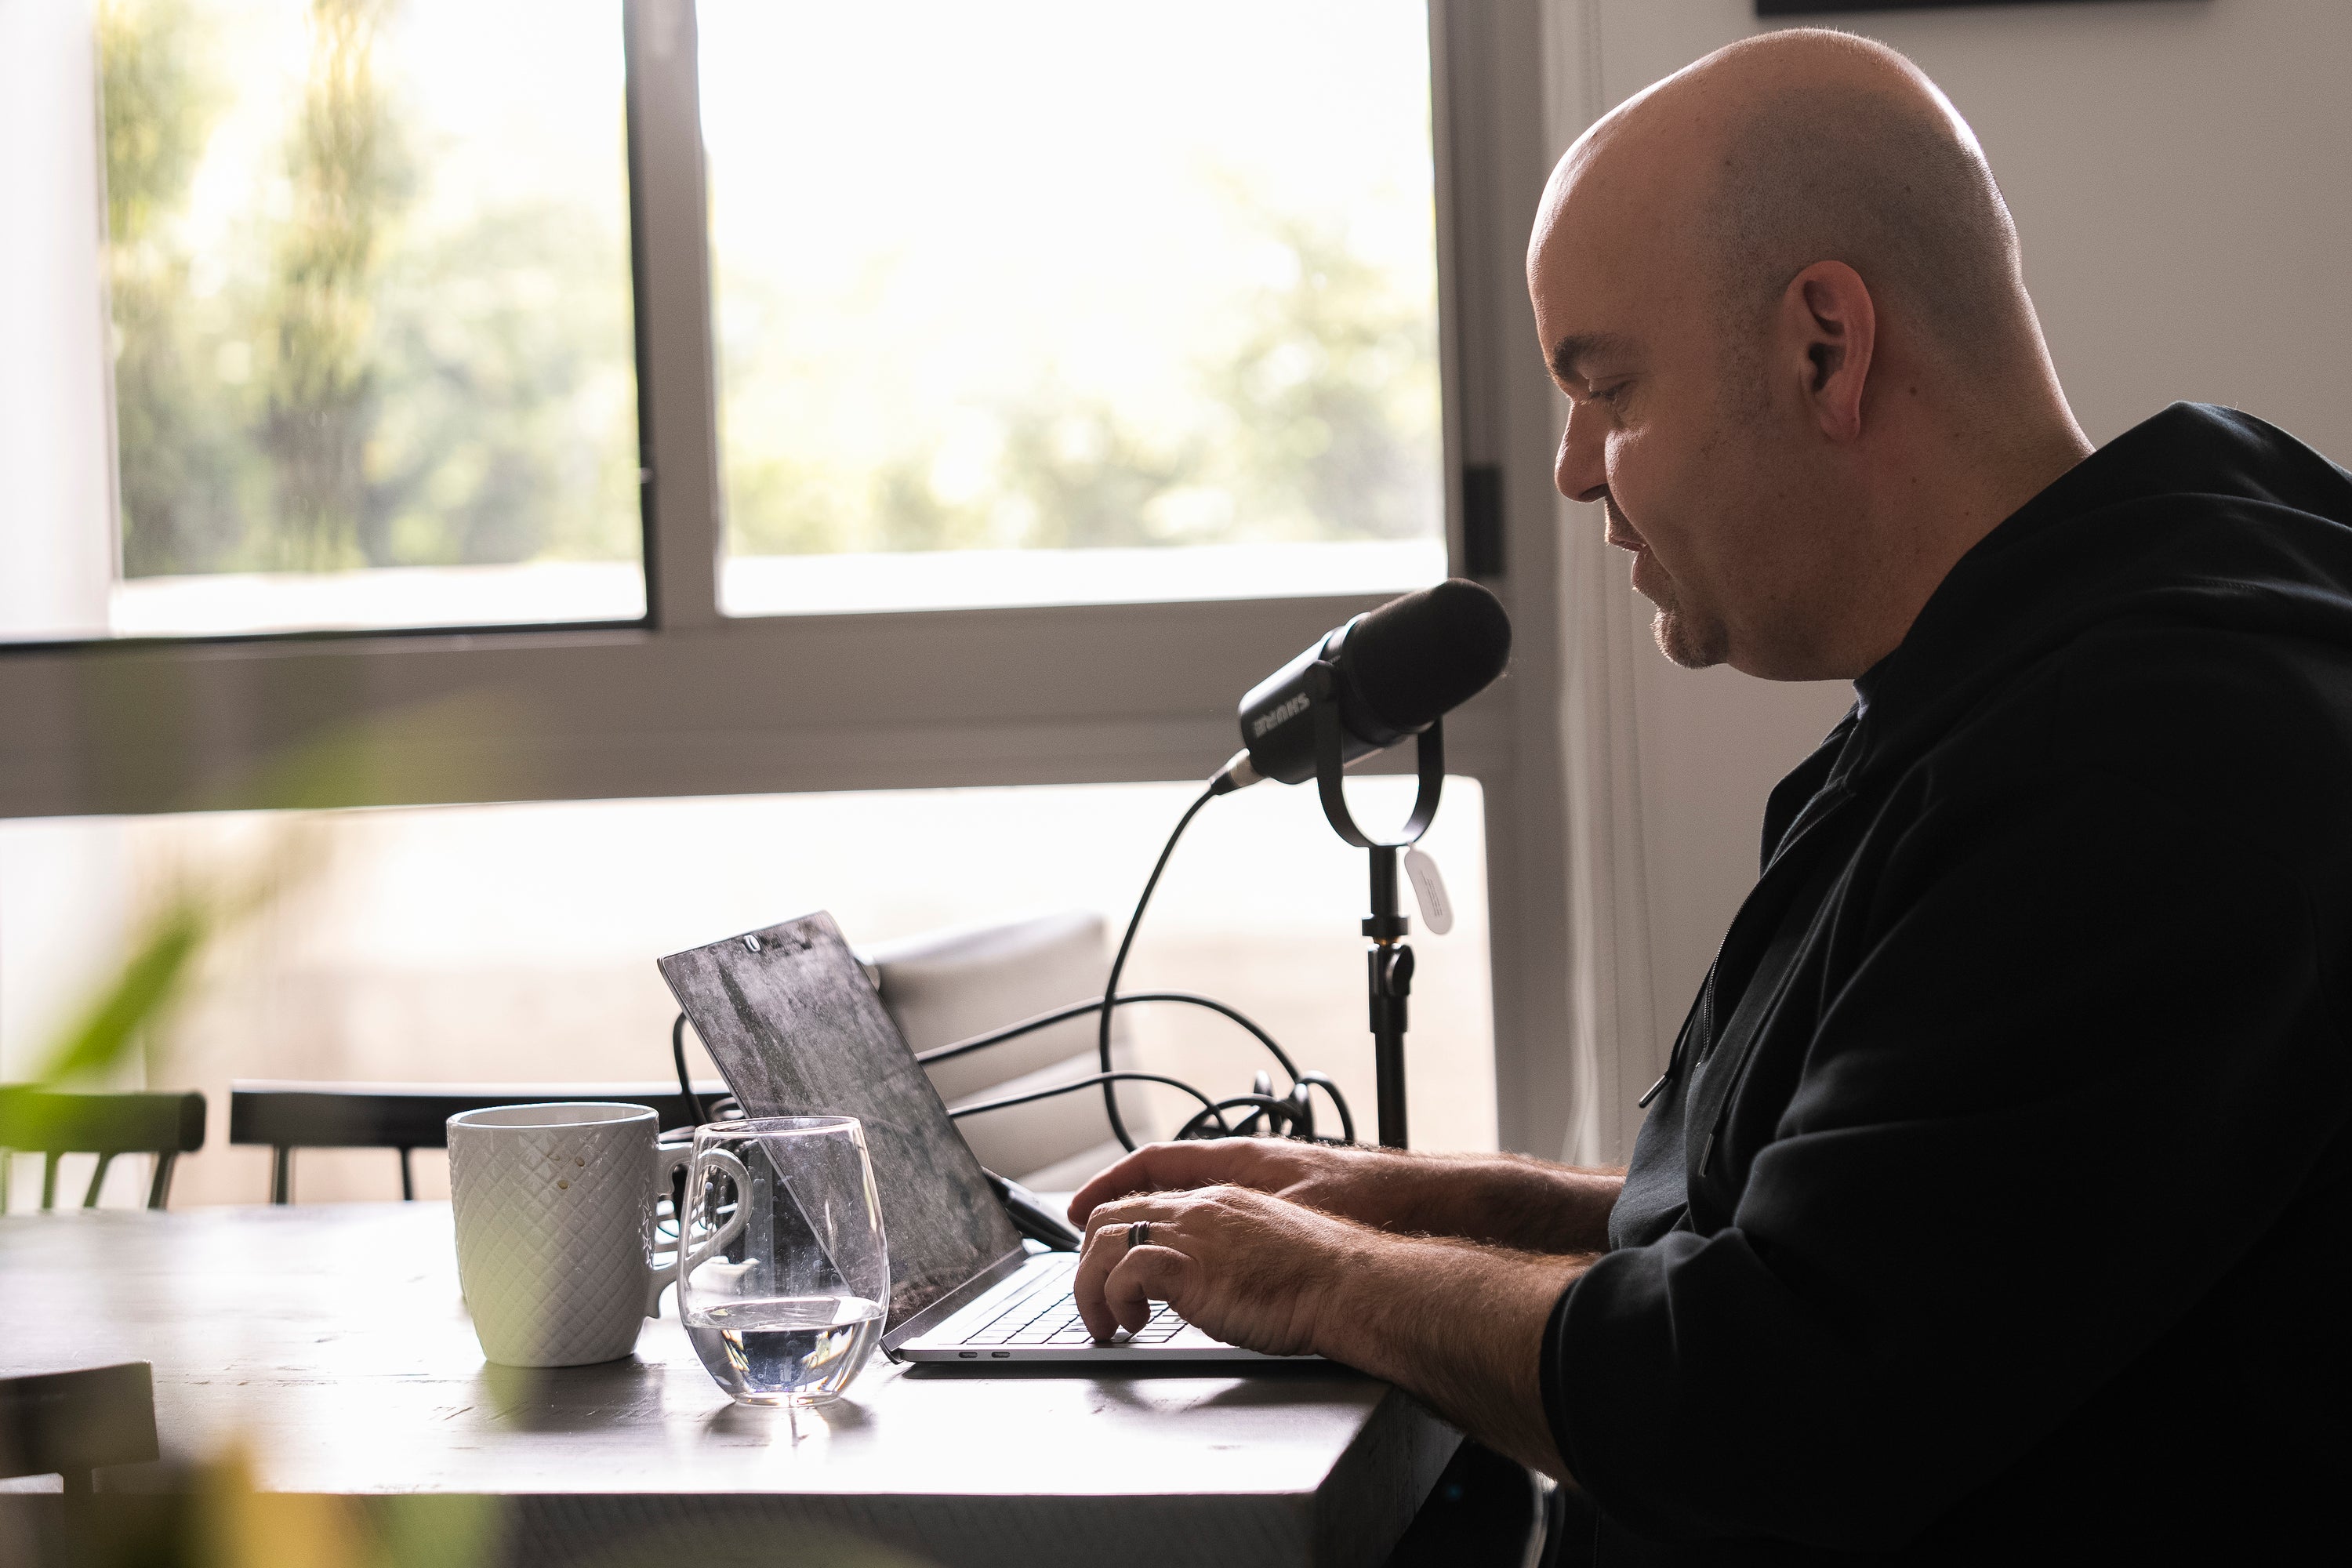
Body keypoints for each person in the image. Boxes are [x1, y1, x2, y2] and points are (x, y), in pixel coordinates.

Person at [1068, 26, 2352, 1561]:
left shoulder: (2155, 754)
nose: (1572, 469)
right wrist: (1389, 1204)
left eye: (1605, 386)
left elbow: (1769, 1394)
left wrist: (1324, 1280)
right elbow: (1844, 1229)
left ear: (1825, 346)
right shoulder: (2022, 680)